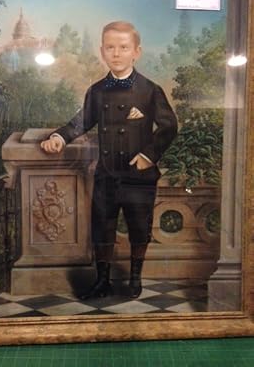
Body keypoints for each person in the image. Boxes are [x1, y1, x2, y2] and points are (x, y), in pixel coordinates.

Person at [41, 21, 178, 299]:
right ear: (102, 51)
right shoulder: (97, 91)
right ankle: (103, 281)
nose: (117, 53)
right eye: (111, 47)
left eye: (123, 47)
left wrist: (148, 156)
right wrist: (59, 137)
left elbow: (169, 126)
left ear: (136, 52)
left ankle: (135, 279)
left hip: (138, 176)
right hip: (106, 174)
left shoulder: (150, 90)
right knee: (102, 226)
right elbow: (80, 122)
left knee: (139, 227)